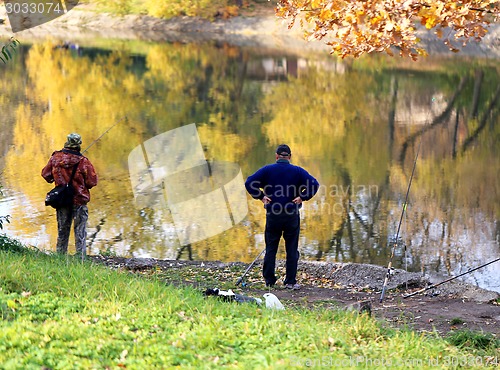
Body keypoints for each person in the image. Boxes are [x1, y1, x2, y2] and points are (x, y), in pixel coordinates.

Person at [245, 144, 319, 290]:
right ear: (289, 157)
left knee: (271, 247)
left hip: (273, 215)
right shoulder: (297, 171)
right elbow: (314, 184)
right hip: (291, 215)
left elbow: (249, 183)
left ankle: (269, 281)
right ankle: (290, 281)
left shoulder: (267, 170)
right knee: (291, 249)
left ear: (277, 156)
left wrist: (261, 196)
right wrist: (303, 197)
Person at [42, 133, 98, 257]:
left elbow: (46, 175)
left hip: (62, 200)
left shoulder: (55, 158)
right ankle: (81, 259)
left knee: (62, 230)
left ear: (67, 143)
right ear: (78, 145)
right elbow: (92, 182)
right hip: (79, 200)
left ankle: (60, 257)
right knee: (80, 231)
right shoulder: (83, 161)